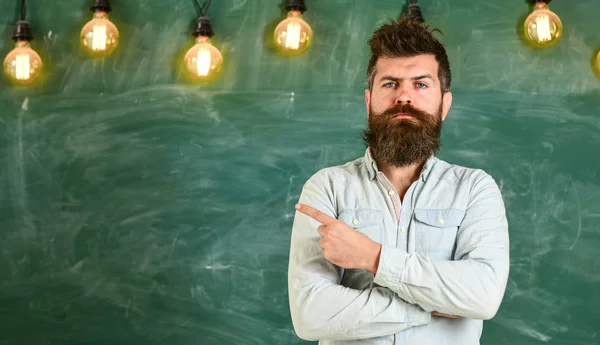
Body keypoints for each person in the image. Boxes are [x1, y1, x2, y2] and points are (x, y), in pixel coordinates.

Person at [287, 16, 510, 345]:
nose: (404, 97)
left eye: (420, 84)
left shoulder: (475, 189)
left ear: (444, 104)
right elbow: (311, 315)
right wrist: (432, 304)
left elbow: (482, 296)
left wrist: (374, 258)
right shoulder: (326, 189)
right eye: (390, 83)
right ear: (368, 101)